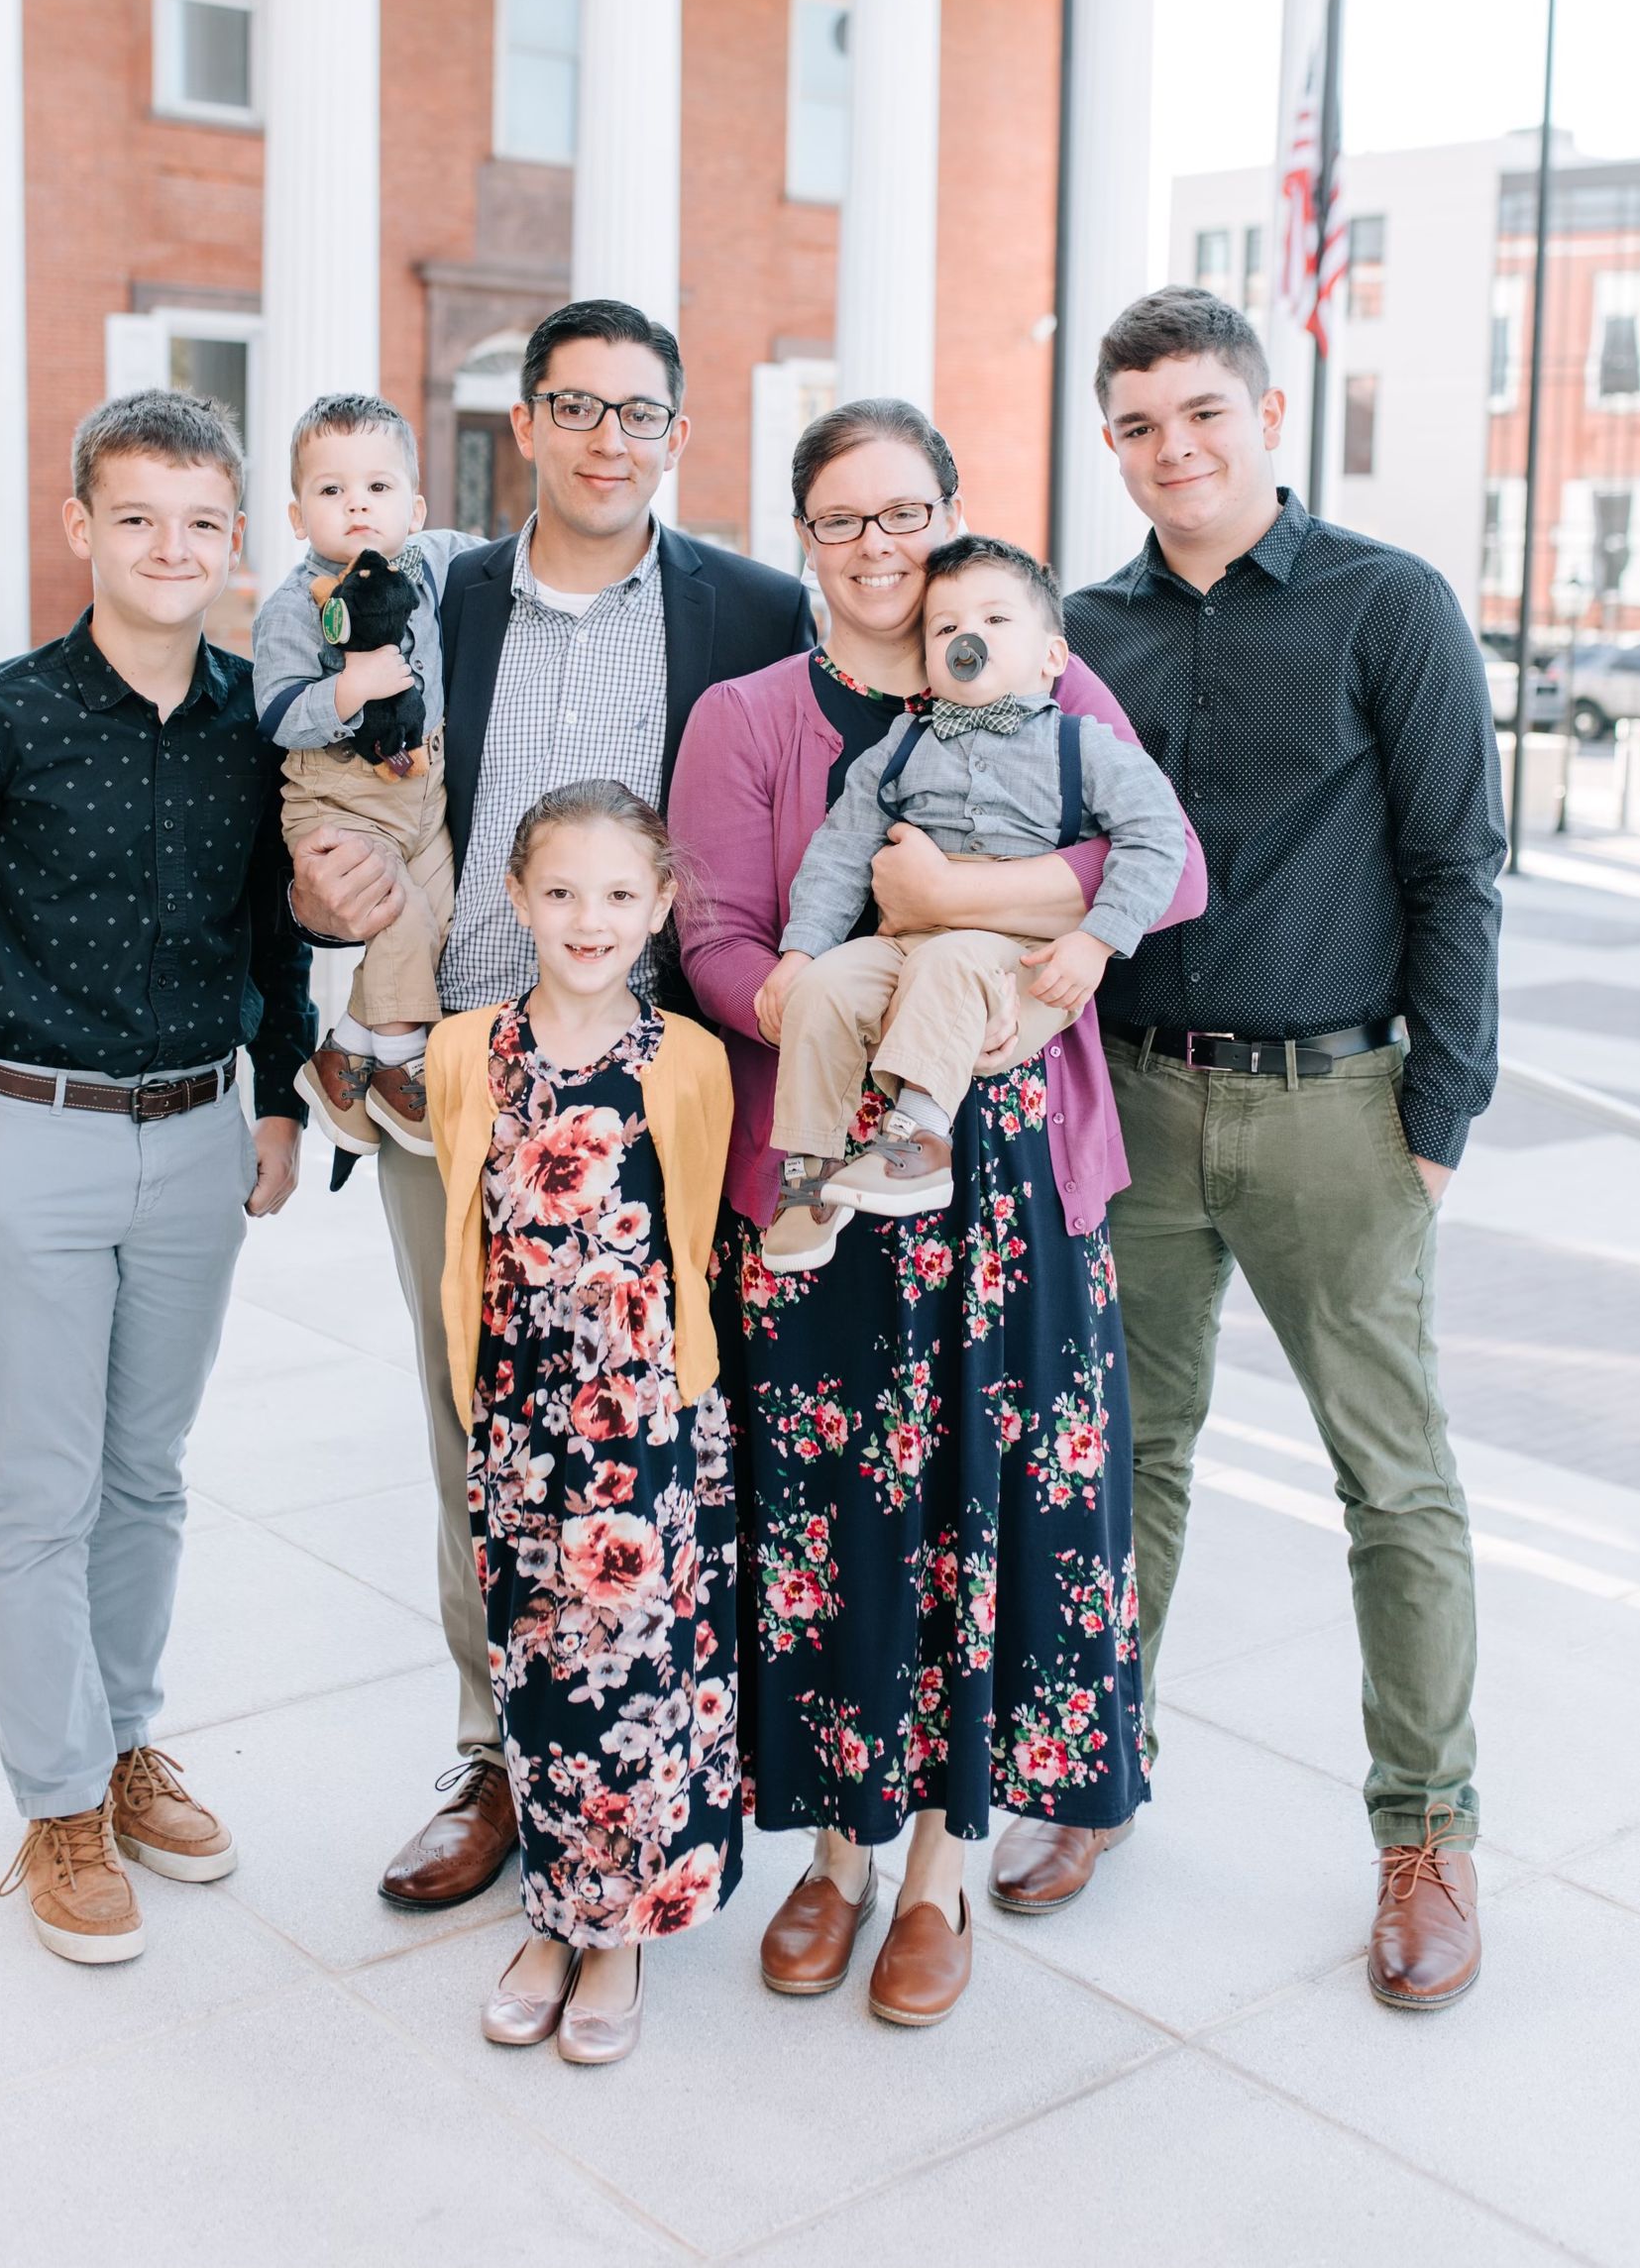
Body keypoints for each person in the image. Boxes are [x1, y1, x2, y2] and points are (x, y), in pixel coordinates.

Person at [668, 400, 1205, 2026]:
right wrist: (849, 1015)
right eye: (843, 520)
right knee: (838, 1520)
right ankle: (835, 1856)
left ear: (950, 517)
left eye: (907, 512)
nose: (880, 547)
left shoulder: (1037, 667)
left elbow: (1164, 868)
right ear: (806, 541)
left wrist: (952, 909)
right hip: (828, 1169)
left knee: (987, 1511)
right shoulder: (752, 715)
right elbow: (718, 937)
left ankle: (936, 1873)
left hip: (1016, 1171)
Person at [287, 298, 814, 1914]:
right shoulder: (428, 589)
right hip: (449, 1085)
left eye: (639, 413)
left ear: (677, 438)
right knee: (475, 1425)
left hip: (661, 1098)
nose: (607, 440)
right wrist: (315, 904)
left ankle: (665, 1755)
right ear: (522, 426)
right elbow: (312, 778)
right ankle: (500, 1757)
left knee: (668, 1429)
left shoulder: (751, 606)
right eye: (575, 408)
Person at [1058, 286, 1504, 2012]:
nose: (1175, 450)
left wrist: (1438, 1122)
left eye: (1202, 416)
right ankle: (1098, 1760)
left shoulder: (1385, 602)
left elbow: (1460, 866)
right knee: (1125, 1457)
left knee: (1393, 1483)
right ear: (1113, 442)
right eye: (1141, 425)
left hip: (1341, 1110)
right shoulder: (1084, 625)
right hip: (1140, 1099)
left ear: (1265, 415)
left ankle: (1429, 1834)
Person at [0, 390, 313, 1965]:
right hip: (30, 1137)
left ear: (235, 541)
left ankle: (122, 1741)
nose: (169, 547)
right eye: (137, 517)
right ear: (82, 530)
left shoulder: (268, 721)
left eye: (199, 522)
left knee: (148, 1474)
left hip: (200, 1139)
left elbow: (276, 942)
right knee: (40, 1488)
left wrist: (279, 1108)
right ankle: (55, 1800)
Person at [427, 781, 740, 2064]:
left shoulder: (689, 1064)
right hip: (519, 1421)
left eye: (619, 893)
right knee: (538, 1670)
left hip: (645, 1424)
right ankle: (552, 1914)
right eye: (560, 891)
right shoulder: (465, 1053)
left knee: (636, 1679)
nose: (589, 917)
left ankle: (620, 1933)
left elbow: (699, 1237)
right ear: (515, 898)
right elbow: (465, 1225)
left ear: (662, 905)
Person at [755, 533, 1188, 1262]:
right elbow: (836, 854)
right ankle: (809, 1171)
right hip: (905, 944)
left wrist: (1097, 940)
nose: (968, 637)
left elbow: (1159, 840)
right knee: (824, 987)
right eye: (947, 627)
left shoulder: (1086, 748)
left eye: (994, 620)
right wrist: (800, 954)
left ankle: (918, 1140)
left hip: (1020, 954)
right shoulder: (900, 745)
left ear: (1052, 657)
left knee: (950, 961)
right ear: (928, 660)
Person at [251, 390, 479, 1155]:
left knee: (441, 914)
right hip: (338, 794)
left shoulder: (437, 560)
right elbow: (279, 714)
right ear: (296, 516)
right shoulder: (292, 606)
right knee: (398, 920)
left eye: (377, 488)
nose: (357, 507)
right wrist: (351, 687)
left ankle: (344, 1051)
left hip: (424, 783)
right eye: (331, 490)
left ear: (413, 508)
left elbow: (518, 557)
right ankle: (397, 1064)